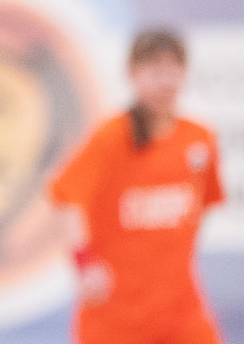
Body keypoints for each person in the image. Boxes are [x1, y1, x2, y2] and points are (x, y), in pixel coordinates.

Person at [50, 29, 224, 344]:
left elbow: (204, 205)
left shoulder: (199, 140)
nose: (165, 81)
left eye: (173, 69)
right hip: (117, 318)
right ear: (134, 74)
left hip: (181, 312)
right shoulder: (112, 137)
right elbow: (65, 198)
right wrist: (86, 264)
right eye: (154, 70)